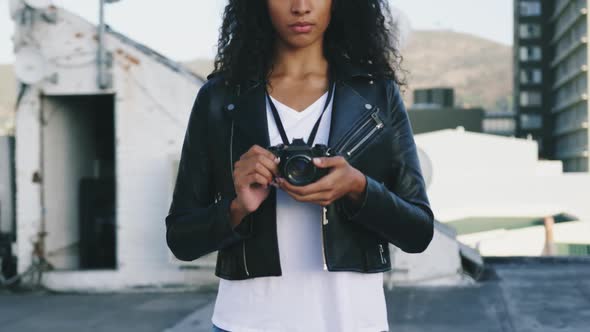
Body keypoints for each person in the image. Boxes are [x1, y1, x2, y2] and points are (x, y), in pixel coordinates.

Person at [165, 0, 435, 331]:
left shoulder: (376, 94)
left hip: (353, 322)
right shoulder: (220, 97)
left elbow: (418, 231)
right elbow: (181, 239)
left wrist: (358, 187)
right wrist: (236, 209)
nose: (301, 7)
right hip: (246, 322)